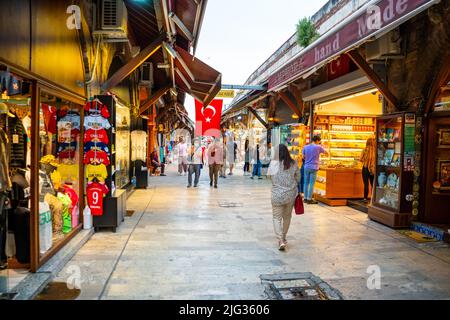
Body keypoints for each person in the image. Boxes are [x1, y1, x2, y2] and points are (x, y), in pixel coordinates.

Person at [268, 144, 300, 251]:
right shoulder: (294, 163)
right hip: (290, 195)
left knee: (276, 218)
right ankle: (284, 237)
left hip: (276, 195)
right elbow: (298, 178)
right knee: (287, 217)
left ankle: (280, 240)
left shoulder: (273, 164)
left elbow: (269, 177)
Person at [302, 135, 327, 204]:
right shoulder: (318, 147)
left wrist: (308, 159)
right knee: (312, 183)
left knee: (306, 183)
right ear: (317, 141)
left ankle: (305, 198)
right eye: (319, 141)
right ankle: (309, 199)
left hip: (306, 167)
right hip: (314, 167)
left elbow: (303, 157)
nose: (319, 143)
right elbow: (326, 153)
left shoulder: (305, 147)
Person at [360, 136, 376, 201]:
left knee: (366, 184)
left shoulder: (364, 150)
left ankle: (365, 198)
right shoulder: (375, 150)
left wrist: (365, 160)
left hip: (365, 168)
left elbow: (360, 159)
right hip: (373, 168)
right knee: (373, 184)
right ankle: (373, 198)